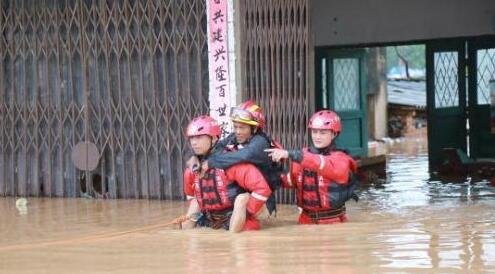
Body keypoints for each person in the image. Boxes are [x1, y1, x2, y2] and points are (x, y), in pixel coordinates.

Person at [187, 100, 282, 216]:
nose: (237, 132)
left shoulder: (260, 142)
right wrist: (196, 156)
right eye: (235, 127)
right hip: (241, 196)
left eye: (242, 128)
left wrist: (211, 162)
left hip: (262, 200)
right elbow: (216, 148)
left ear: (255, 128)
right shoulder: (235, 137)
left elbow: (245, 155)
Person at [181, 115, 272, 232]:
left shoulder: (233, 164)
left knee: (241, 200)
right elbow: (191, 197)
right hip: (210, 219)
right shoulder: (191, 170)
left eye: (199, 137)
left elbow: (262, 188)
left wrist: (247, 211)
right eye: (192, 138)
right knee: (193, 209)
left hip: (236, 218)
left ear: (213, 139)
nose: (194, 143)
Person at [265, 110, 358, 224]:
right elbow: (292, 181)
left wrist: (290, 154)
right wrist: (270, 174)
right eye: (314, 132)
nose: (317, 137)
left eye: (323, 133)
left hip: (333, 222)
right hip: (305, 219)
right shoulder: (302, 156)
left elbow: (320, 164)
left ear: (334, 134)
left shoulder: (341, 159)